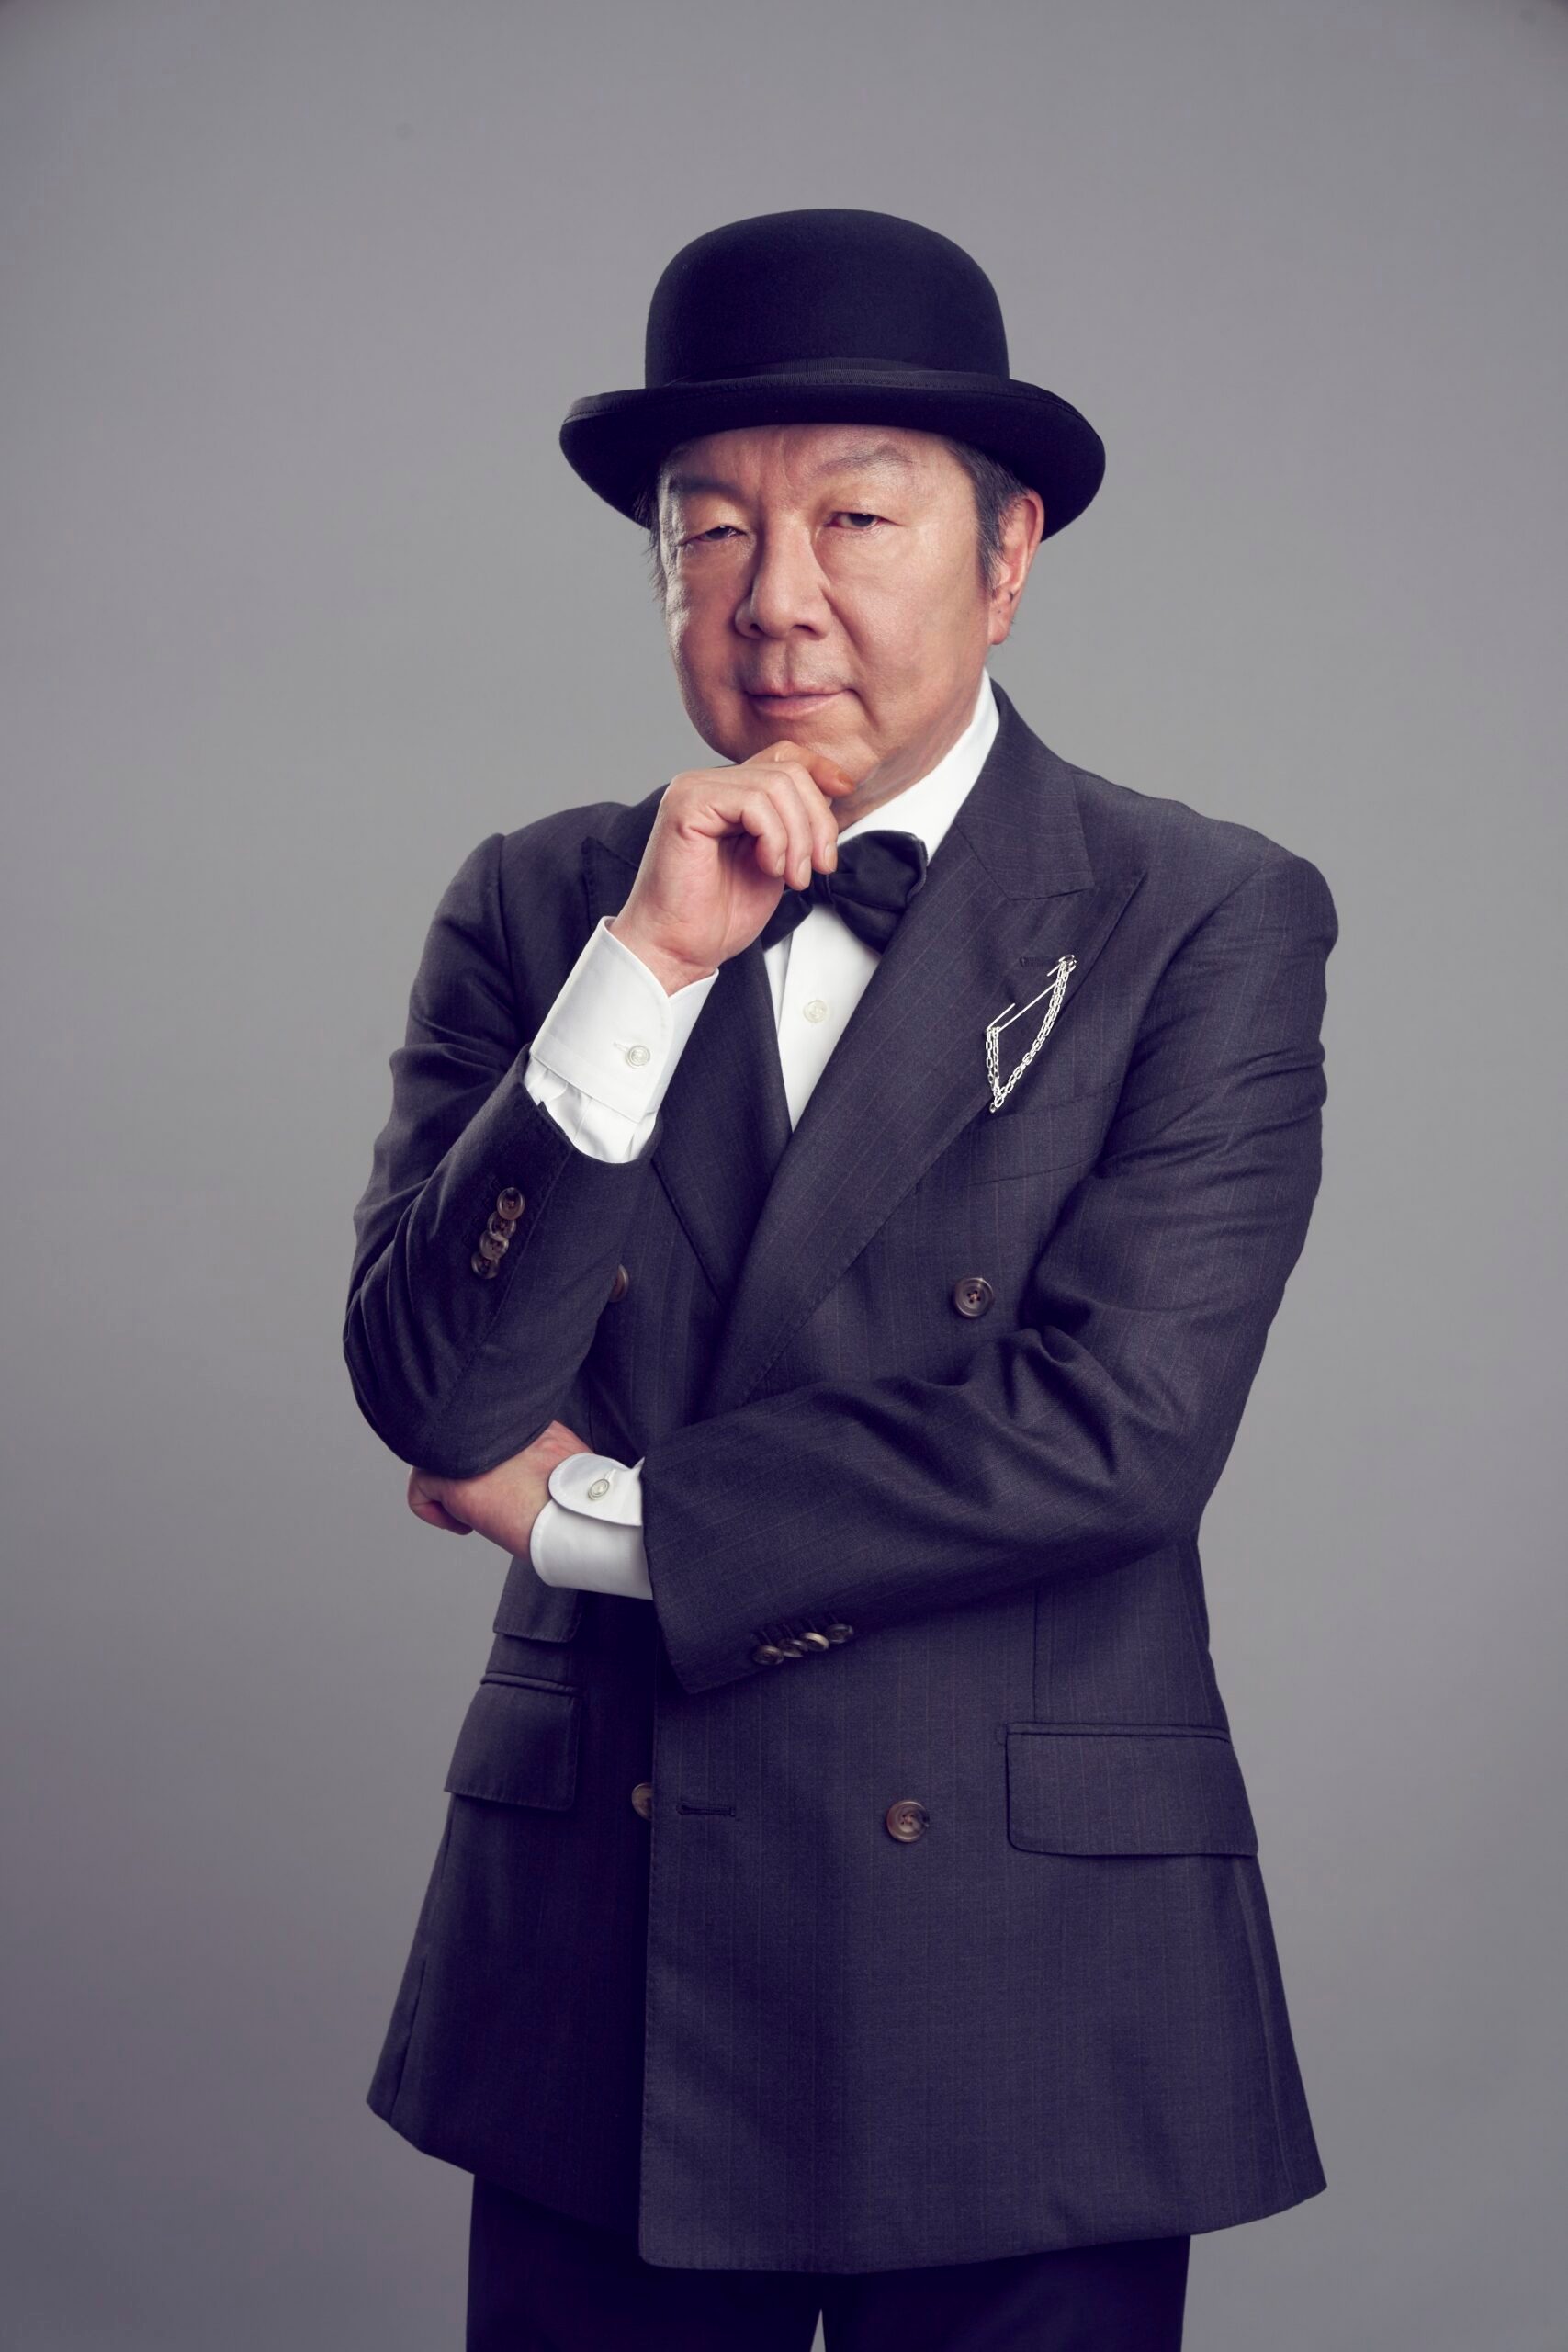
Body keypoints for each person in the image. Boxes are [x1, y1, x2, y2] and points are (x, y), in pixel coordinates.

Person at [344, 207, 1336, 2350]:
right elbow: (433, 1388)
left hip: (1021, 1964)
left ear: (1006, 552)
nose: (772, 596)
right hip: (608, 1947)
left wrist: (597, 1522)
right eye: (708, 530)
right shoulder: (540, 902)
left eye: (853, 519)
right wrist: (644, 965)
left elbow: (1113, 1433)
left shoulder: (1199, 912)